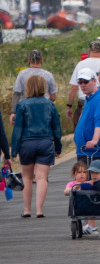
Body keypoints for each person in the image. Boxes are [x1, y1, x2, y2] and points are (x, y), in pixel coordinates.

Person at [10, 74, 62, 218]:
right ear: (43, 87)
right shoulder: (50, 105)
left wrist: (14, 150)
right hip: (45, 142)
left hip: (26, 143)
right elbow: (57, 128)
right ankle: (39, 210)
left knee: (27, 177)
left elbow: (18, 129)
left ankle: (27, 209)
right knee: (41, 177)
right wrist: (58, 147)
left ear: (27, 88)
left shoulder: (22, 105)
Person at [73, 66, 100, 166]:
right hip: (84, 150)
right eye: (80, 82)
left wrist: (95, 140)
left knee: (92, 180)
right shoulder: (89, 98)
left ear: (94, 81)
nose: (82, 85)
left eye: (85, 81)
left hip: (93, 152)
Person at [67, 41, 100, 126]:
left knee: (80, 130)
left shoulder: (80, 64)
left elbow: (74, 87)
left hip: (84, 101)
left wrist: (69, 105)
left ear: (89, 51)